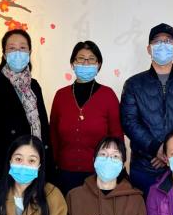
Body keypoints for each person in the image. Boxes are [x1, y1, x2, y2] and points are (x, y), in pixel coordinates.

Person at [120, 23, 173, 194]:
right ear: (149, 49)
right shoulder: (133, 84)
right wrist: (156, 148)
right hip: (145, 167)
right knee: (145, 211)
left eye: (168, 41)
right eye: (157, 41)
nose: (163, 45)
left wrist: (170, 151)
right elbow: (129, 122)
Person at [50, 41, 123, 194]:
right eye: (81, 58)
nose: (86, 63)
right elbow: (53, 137)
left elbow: (117, 137)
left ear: (98, 64)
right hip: (64, 174)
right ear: (73, 63)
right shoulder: (61, 96)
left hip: (100, 174)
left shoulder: (108, 95)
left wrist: (117, 168)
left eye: (91, 59)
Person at [0, 29, 53, 180]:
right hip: (8, 169)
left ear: (29, 52)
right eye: (12, 48)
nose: (18, 53)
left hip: (36, 164)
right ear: (4, 54)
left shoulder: (34, 86)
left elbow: (44, 128)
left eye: (22, 48)